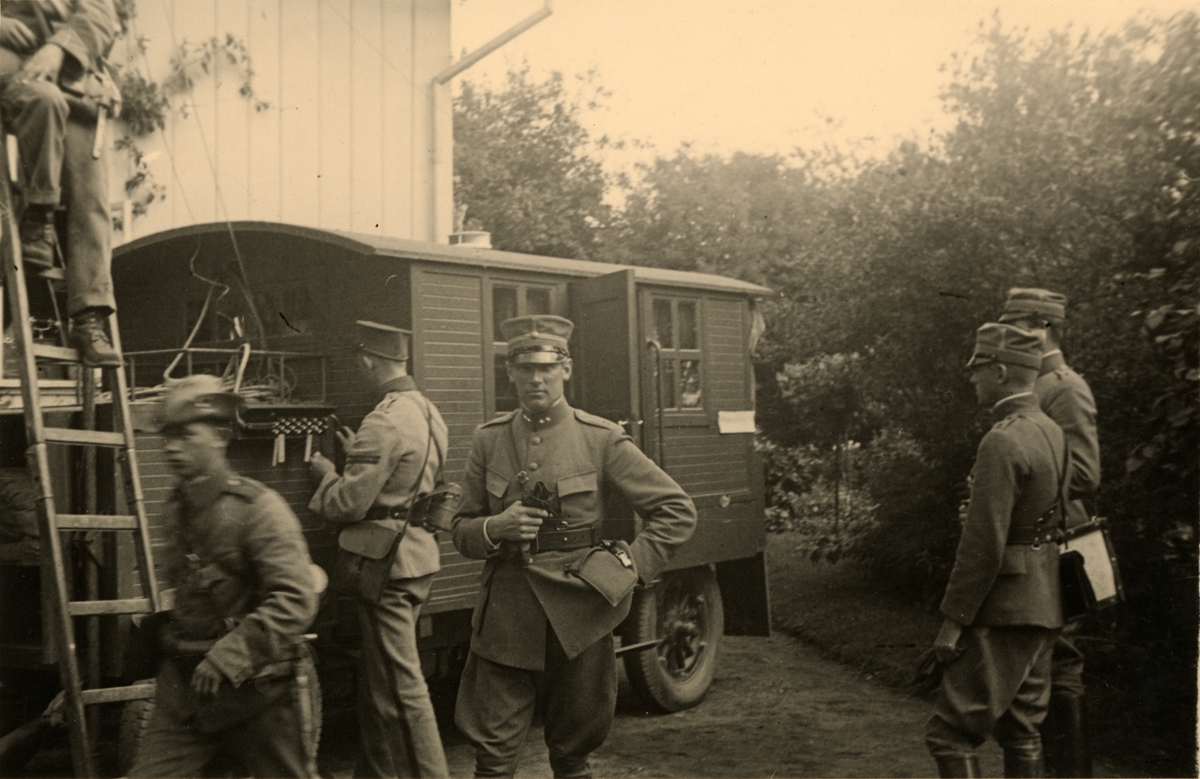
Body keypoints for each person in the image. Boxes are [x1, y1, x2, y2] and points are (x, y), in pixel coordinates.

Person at [452, 314, 698, 779]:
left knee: (572, 755)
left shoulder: (599, 438)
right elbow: (461, 528)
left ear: (566, 368)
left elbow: (676, 510)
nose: (536, 378)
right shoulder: (489, 440)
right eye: (525, 368)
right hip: (506, 617)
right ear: (510, 372)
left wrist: (624, 569)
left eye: (546, 367)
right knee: (493, 759)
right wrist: (496, 526)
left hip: (580, 614)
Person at [128, 375, 320, 778]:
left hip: (259, 692)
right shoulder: (175, 509)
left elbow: (296, 599)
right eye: (167, 437)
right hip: (186, 691)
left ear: (220, 436)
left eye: (185, 435)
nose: (171, 447)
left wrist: (228, 656)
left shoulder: (259, 509)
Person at [308, 320, 449, 778]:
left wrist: (328, 475)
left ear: (369, 361)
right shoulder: (427, 410)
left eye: (359, 362)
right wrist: (361, 456)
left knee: (402, 691)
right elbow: (406, 478)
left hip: (386, 565)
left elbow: (347, 504)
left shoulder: (383, 419)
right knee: (379, 684)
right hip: (415, 557)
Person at [926, 323, 1066, 778]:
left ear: (1001, 372)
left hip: (1003, 610)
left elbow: (983, 544)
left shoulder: (1002, 440)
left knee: (950, 734)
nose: (972, 376)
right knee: (1022, 730)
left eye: (980, 367)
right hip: (1045, 601)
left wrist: (953, 621)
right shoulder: (1051, 431)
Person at [999, 288, 1099, 778]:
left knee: (1060, 659)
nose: (1010, 335)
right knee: (1038, 660)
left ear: (1043, 327)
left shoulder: (1065, 387)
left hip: (1061, 539)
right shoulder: (1031, 384)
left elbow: (1085, 474)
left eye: (1017, 326)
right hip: (1034, 537)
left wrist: (1021, 485)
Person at [1, 0, 122, 366]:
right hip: (11, 70)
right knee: (41, 103)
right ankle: (36, 221)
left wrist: (59, 48)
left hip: (69, 74)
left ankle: (88, 318)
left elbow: (100, 13)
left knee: (91, 193)